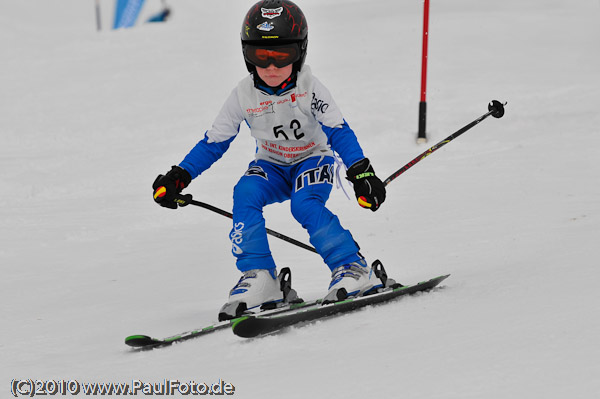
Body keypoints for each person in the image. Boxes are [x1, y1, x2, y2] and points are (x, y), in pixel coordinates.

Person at [152, 0, 386, 320]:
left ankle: (352, 266)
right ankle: (260, 276)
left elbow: (338, 132)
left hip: (312, 160)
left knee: (304, 205)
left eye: (282, 55)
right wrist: (179, 175)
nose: (272, 66)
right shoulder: (243, 95)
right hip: (272, 165)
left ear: (300, 53)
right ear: (247, 55)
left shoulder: (309, 89)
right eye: (261, 56)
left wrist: (361, 173)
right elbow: (214, 142)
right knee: (245, 193)